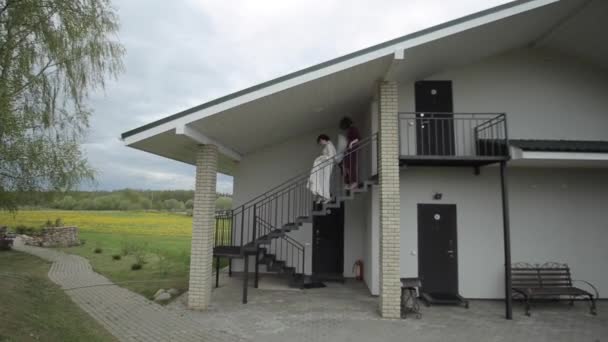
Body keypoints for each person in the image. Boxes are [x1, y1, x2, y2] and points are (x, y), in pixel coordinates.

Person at [307, 134, 336, 203]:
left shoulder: (329, 145)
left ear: (323, 139)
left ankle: (327, 197)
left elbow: (331, 157)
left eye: (320, 142)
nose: (321, 143)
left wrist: (321, 158)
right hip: (325, 166)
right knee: (321, 181)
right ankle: (322, 196)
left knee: (325, 181)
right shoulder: (327, 145)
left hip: (327, 166)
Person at [340, 117, 360, 189]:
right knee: (346, 166)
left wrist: (351, 143)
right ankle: (348, 183)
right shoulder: (349, 130)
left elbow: (357, 138)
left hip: (353, 148)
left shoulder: (353, 129)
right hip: (349, 150)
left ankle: (354, 182)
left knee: (352, 166)